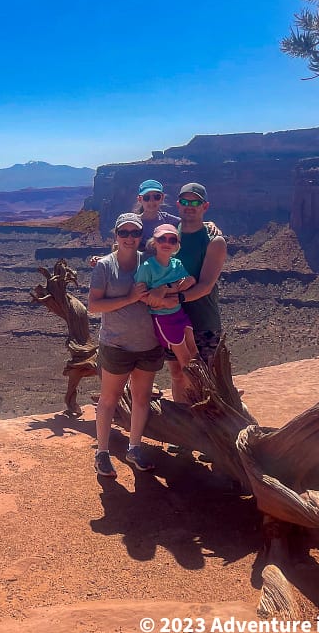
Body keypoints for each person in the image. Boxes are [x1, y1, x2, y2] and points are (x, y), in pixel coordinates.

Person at [87, 213, 164, 479]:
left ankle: (134, 448)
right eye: (124, 233)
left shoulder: (151, 263)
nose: (129, 238)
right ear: (116, 235)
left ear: (141, 236)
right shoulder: (104, 267)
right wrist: (130, 298)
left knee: (141, 399)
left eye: (135, 233)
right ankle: (102, 453)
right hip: (116, 345)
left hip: (148, 345)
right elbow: (94, 306)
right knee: (109, 399)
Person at [160, 182, 226, 403]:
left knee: (203, 379)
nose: (190, 206)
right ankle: (182, 423)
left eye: (195, 202)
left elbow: (205, 286)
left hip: (202, 321)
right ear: (178, 204)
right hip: (173, 320)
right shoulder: (169, 234)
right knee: (178, 375)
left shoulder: (214, 241)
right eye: (185, 201)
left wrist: (175, 297)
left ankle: (209, 423)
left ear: (205, 206)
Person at [135, 224, 198, 375]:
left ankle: (206, 384)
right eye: (162, 239)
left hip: (179, 313)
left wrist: (165, 289)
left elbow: (185, 284)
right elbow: (141, 295)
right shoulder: (147, 267)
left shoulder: (177, 264)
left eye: (172, 240)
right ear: (154, 242)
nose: (166, 243)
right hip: (163, 318)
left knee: (194, 352)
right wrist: (164, 302)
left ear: (176, 245)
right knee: (185, 359)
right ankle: (197, 387)